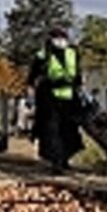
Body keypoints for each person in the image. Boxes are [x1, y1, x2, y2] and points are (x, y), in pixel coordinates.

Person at [27, 28, 84, 174]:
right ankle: (56, 163)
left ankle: (65, 160)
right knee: (52, 132)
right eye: (57, 38)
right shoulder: (42, 55)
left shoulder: (73, 53)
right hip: (49, 99)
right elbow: (32, 77)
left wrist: (80, 89)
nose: (60, 40)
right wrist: (31, 95)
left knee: (69, 131)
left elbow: (78, 74)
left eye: (63, 37)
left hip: (70, 99)